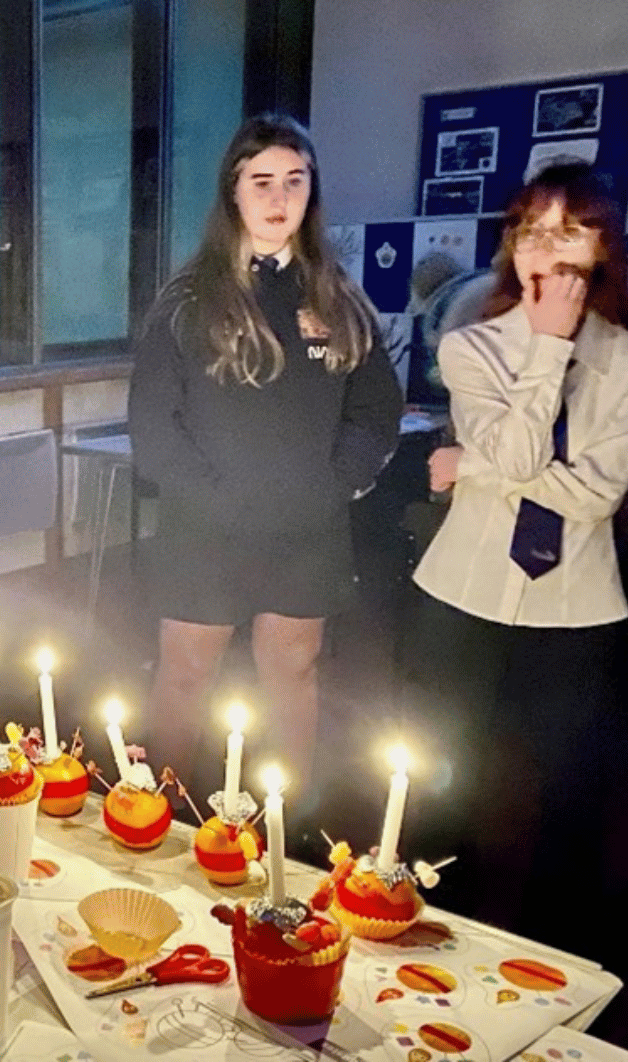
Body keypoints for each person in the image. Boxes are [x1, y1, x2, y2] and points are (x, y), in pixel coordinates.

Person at [129, 113, 403, 801]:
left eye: (294, 182)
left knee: (294, 676)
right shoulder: (188, 301)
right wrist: (212, 495)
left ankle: (287, 826)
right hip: (205, 525)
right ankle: (159, 813)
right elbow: (153, 426)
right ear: (234, 192)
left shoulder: (338, 301)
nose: (278, 199)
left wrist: (335, 481)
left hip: (306, 527)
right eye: (262, 182)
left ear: (312, 193)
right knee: (184, 677)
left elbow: (377, 410)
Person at [408, 164, 628, 952]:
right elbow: (523, 448)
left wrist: (474, 467)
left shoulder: (625, 356)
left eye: (570, 229)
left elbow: (600, 493)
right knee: (443, 771)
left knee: (559, 785)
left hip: (576, 601)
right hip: (464, 589)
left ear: (604, 243)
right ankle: (425, 924)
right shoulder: (471, 346)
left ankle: (548, 956)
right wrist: (547, 349)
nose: (548, 247)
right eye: (532, 229)